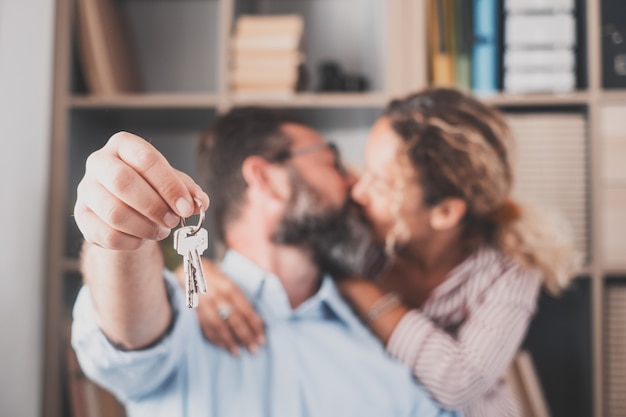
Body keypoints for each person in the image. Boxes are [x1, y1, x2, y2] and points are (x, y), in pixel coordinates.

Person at [191, 88, 578, 417]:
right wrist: (201, 274)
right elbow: (269, 237)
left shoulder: (508, 272)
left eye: (380, 184)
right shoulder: (364, 218)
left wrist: (355, 287)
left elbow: (459, 383)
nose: (356, 189)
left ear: (444, 212)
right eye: (366, 168)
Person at [71, 106, 459, 417]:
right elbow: (130, 332)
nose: (355, 184)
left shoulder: (383, 346)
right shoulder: (180, 315)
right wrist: (121, 236)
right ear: (266, 178)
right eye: (332, 161)